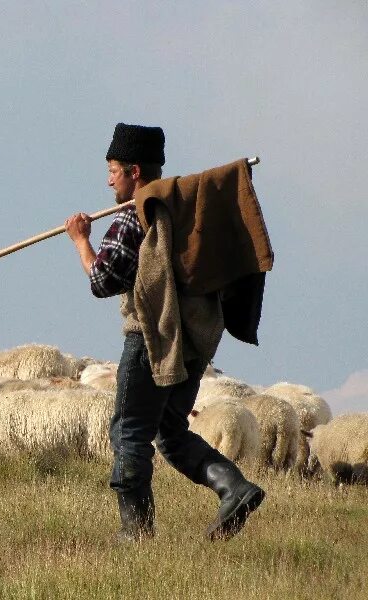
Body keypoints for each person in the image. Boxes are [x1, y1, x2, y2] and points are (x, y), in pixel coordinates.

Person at [64, 123, 265, 542]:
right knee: (170, 431)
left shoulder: (136, 213)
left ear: (135, 172)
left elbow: (103, 279)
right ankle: (233, 487)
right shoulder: (183, 206)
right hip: (192, 342)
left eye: (113, 171)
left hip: (151, 341)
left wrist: (81, 241)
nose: (108, 181)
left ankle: (135, 533)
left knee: (128, 430)